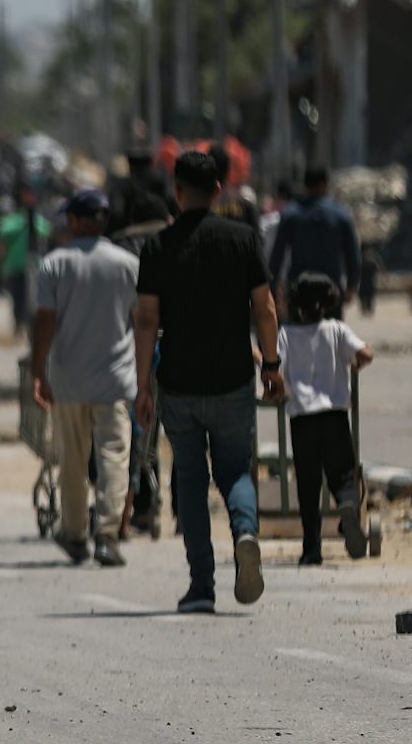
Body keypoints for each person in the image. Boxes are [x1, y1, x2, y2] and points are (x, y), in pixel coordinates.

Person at [135, 150, 285, 613]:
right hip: (233, 377)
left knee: (191, 478)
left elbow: (145, 319)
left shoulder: (157, 247)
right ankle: (244, 531)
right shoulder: (242, 239)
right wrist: (272, 365)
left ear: (177, 193)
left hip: (179, 381)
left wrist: (143, 386)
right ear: (218, 191)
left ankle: (202, 585)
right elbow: (265, 308)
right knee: (236, 469)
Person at [31, 190, 138, 568]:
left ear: (75, 221)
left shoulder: (54, 264)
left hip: (69, 378)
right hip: (115, 377)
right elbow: (141, 321)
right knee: (113, 457)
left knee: (72, 460)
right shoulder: (128, 264)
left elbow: (45, 321)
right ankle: (107, 534)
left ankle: (75, 534)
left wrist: (38, 370)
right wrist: (143, 373)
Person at [280, 272, 373, 565]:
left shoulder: (287, 335)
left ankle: (311, 549)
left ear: (296, 305)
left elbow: (276, 367)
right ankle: (347, 505)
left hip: (303, 418)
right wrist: (355, 363)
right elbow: (366, 353)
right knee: (343, 474)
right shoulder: (336, 330)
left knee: (308, 484)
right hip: (334, 415)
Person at [268, 167, 361, 315]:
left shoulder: (291, 214)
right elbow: (353, 254)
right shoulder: (341, 214)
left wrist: (272, 289)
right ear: (326, 184)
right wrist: (351, 286)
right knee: (331, 335)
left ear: (304, 185)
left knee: (299, 335)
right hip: (332, 292)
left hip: (298, 292)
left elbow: (277, 256)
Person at [0, 185, 50, 333]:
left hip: (34, 266)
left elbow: (46, 231)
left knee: (33, 301)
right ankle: (18, 327)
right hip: (15, 266)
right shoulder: (12, 220)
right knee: (18, 299)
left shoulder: (38, 219)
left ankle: (29, 327)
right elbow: (3, 233)